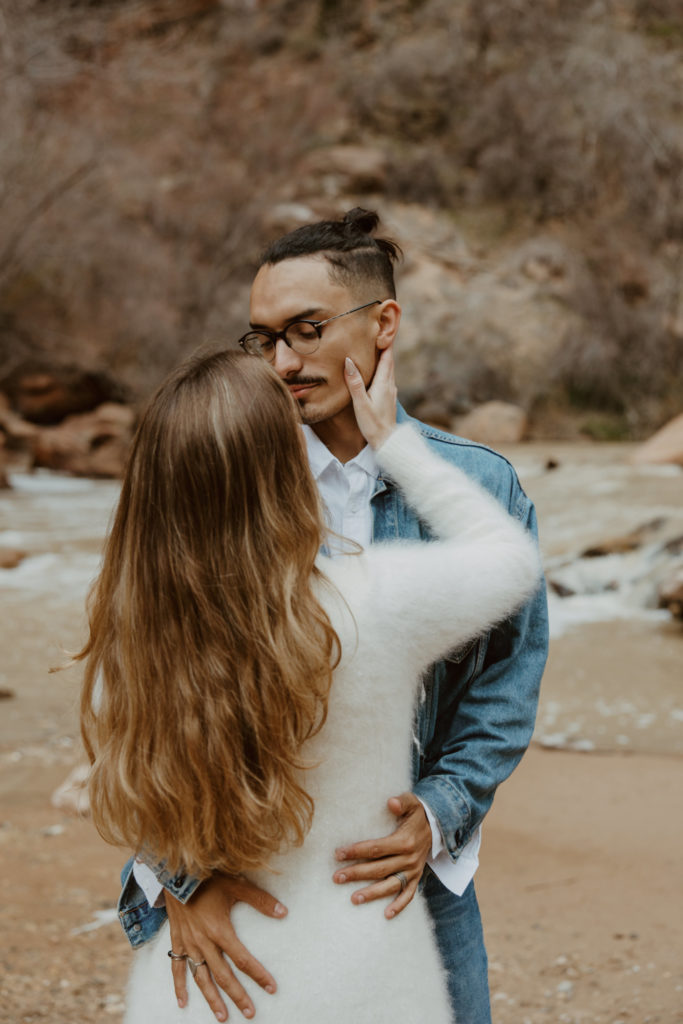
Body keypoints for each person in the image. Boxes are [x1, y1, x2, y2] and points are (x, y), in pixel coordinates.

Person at [117, 209, 549, 1024]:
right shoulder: (231, 466)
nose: (281, 362)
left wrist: (437, 812)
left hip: (397, 870)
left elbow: (505, 685)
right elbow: (151, 686)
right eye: (262, 338)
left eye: (306, 331)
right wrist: (180, 880)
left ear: (383, 322)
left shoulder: (479, 486)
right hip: (235, 878)